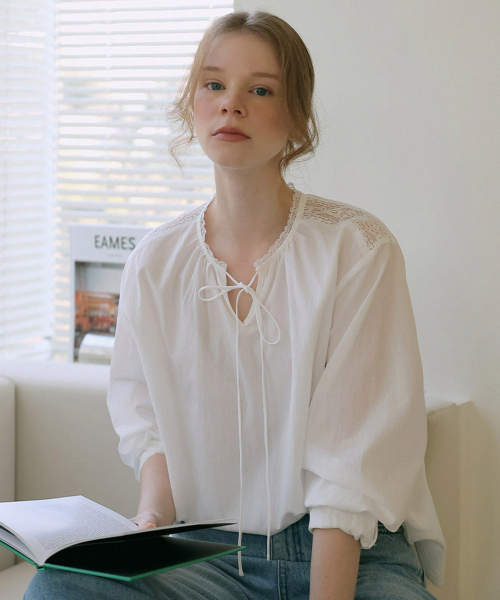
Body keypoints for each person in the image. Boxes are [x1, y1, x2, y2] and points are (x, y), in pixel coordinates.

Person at [24, 10, 446, 600]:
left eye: (261, 90)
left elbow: (350, 465)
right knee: (59, 587)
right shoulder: (154, 262)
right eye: (215, 84)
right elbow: (151, 428)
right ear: (191, 106)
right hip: (212, 555)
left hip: (354, 555)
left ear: (297, 117)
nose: (231, 104)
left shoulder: (358, 249)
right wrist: (148, 526)